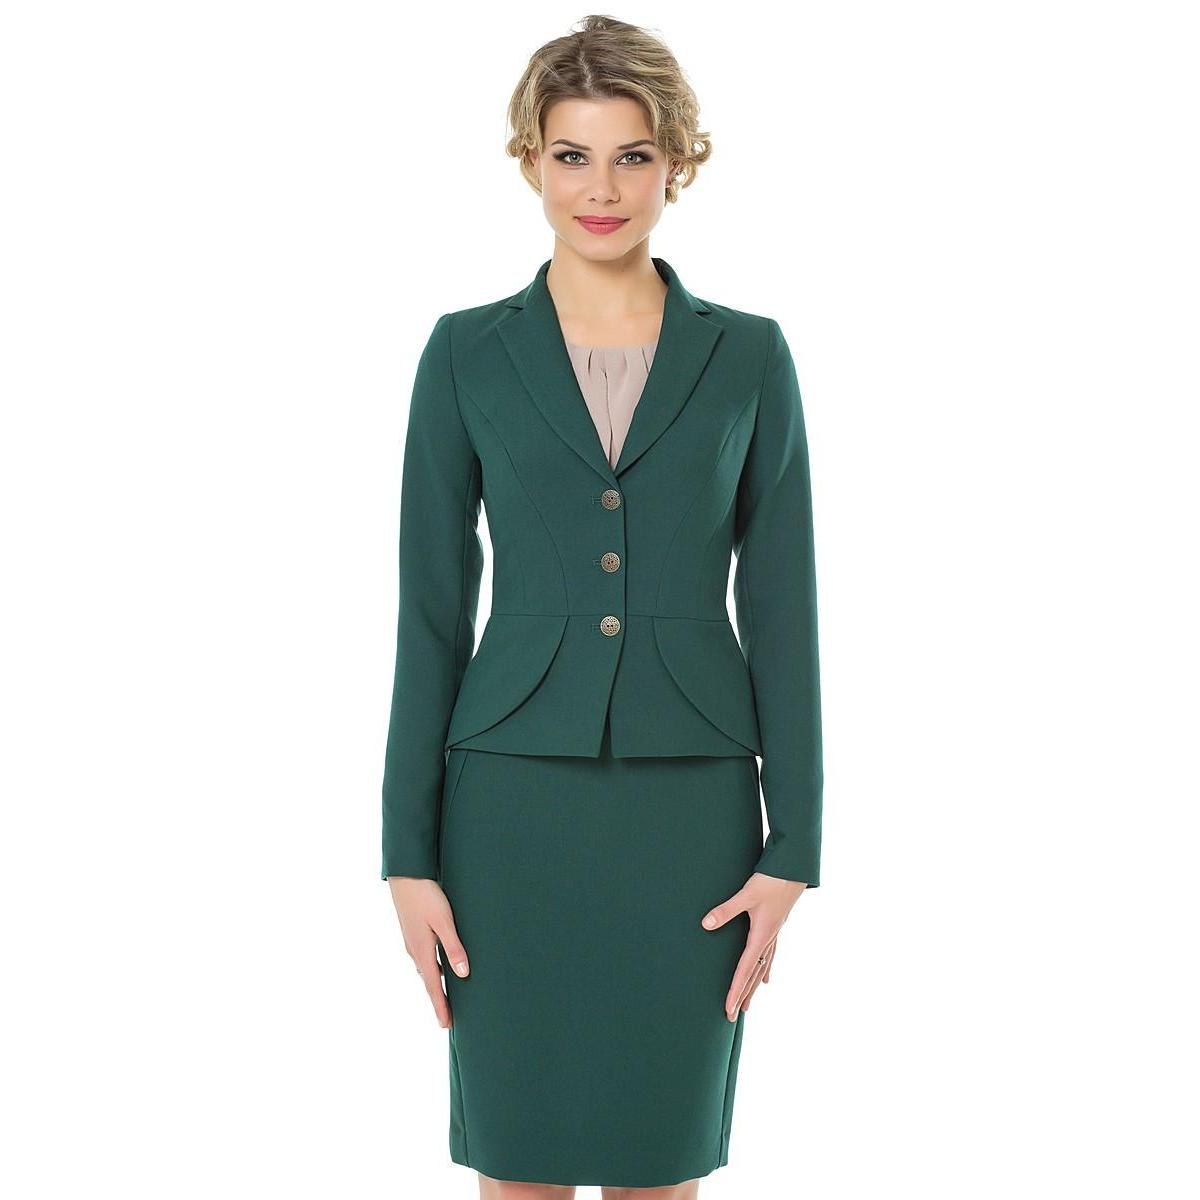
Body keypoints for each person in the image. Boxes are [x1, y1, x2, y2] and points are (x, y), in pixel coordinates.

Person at [382, 15, 823, 1198]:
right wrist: (405, 856)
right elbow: (430, 610)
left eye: (633, 156)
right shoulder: (465, 352)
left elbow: (786, 609)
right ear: (530, 159)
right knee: (518, 1164)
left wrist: (796, 847)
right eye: (572, 155)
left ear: (678, 161)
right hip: (507, 815)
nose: (602, 189)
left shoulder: (751, 355)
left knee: (659, 1163)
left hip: (691, 818)